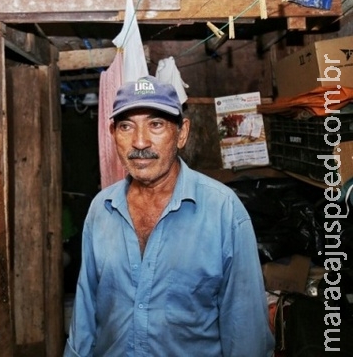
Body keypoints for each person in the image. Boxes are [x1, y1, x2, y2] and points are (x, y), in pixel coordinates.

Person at [64, 75, 275, 356]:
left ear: (182, 133)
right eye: (126, 126)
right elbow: (86, 309)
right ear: (113, 133)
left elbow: (246, 329)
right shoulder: (102, 208)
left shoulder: (223, 210)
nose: (140, 142)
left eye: (156, 124)